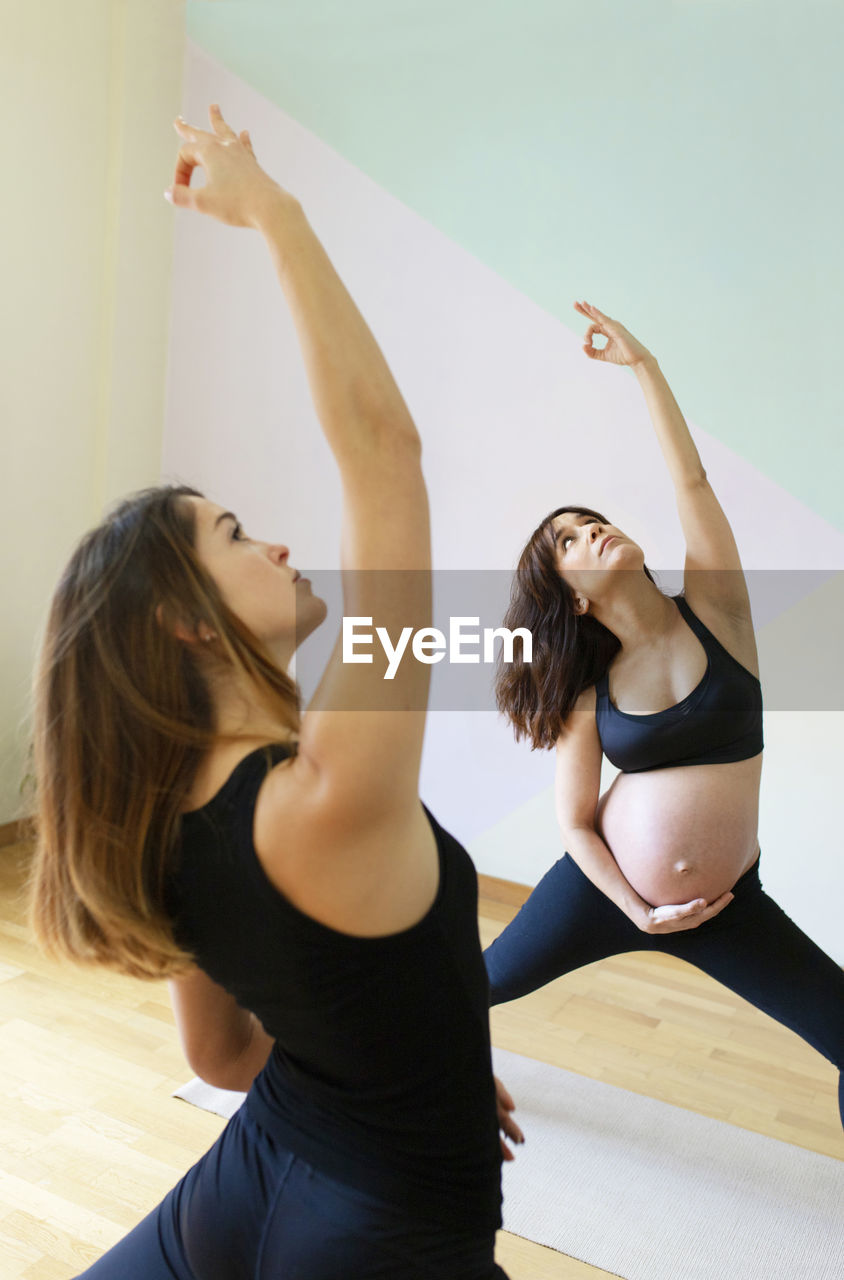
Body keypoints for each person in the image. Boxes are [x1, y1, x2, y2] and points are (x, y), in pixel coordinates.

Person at [29, 104, 520, 1279]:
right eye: (239, 534)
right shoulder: (329, 791)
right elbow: (385, 455)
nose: (283, 547)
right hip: (383, 1230)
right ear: (188, 621)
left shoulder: (156, 820)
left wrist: (412, 1057)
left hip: (245, 1187)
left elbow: (221, 1051)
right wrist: (273, 212)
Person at [485, 300, 844, 1127]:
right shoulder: (589, 686)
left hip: (725, 910)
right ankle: (350, 1087)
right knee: (473, 989)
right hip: (602, 891)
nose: (594, 531)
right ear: (571, 598)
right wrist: (637, 909)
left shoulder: (718, 613)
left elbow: (692, 482)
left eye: (592, 520)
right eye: (570, 541)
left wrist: (645, 367)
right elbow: (576, 822)